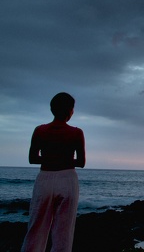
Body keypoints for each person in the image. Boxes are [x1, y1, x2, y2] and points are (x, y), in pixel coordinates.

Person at [21, 92, 86, 252]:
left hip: (45, 178)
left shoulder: (40, 130)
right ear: (70, 110)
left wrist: (51, 157)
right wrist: (63, 158)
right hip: (67, 179)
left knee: (36, 225)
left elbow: (32, 158)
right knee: (64, 231)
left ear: (52, 109)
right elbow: (81, 162)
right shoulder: (76, 132)